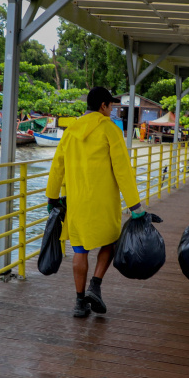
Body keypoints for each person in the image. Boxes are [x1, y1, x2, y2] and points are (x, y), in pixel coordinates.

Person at [46, 86, 146, 318]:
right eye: (111, 106)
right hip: (103, 203)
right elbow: (122, 170)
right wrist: (135, 207)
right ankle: (95, 285)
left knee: (80, 251)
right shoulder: (110, 130)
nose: (111, 110)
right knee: (110, 242)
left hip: (76, 202)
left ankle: (80, 302)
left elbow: (57, 166)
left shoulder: (71, 130)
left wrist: (52, 197)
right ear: (103, 106)